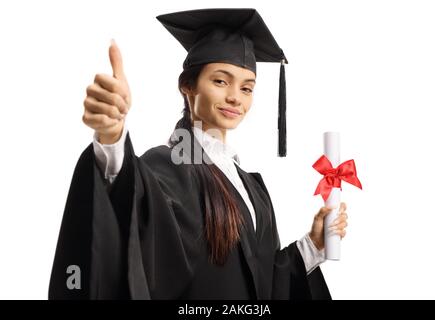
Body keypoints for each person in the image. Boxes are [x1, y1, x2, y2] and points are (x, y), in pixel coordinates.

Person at [49, 8, 349, 300]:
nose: (235, 97)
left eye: (247, 88)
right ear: (187, 86)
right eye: (220, 81)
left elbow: (260, 280)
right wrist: (112, 138)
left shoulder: (252, 186)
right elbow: (133, 213)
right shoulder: (170, 164)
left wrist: (312, 245)